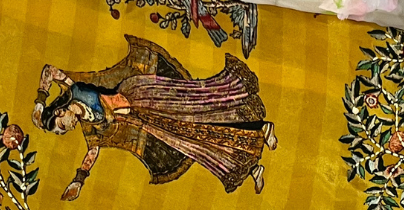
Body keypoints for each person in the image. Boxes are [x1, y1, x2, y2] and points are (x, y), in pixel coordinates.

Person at [32, 35, 275, 199]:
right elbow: (92, 152)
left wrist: (40, 103)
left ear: (60, 111)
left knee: (200, 107)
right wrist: (79, 181)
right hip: (147, 120)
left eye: (60, 126)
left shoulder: (74, 89)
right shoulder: (89, 126)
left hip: (145, 95)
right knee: (194, 139)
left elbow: (49, 71)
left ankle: (260, 125)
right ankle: (249, 160)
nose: (66, 129)